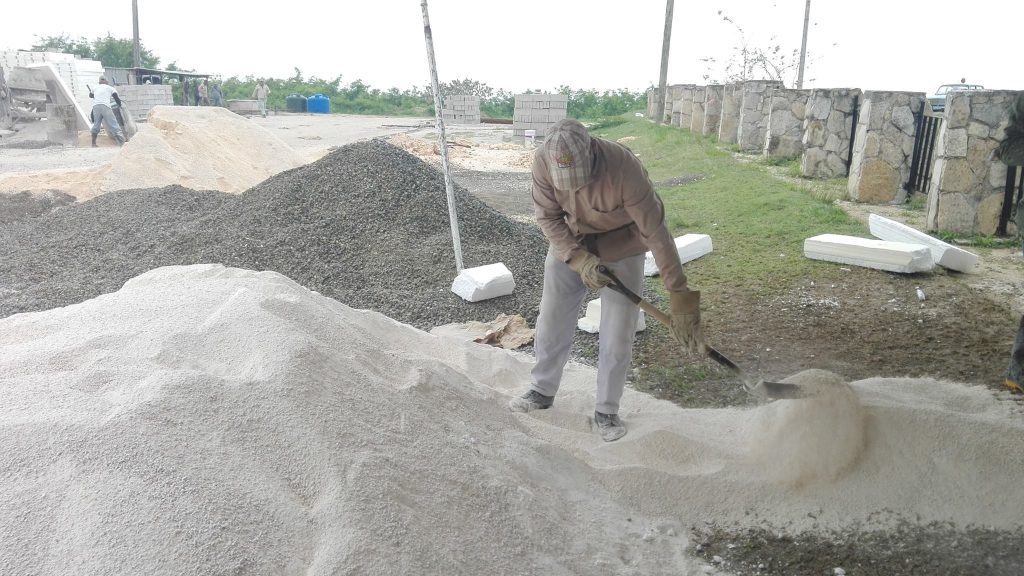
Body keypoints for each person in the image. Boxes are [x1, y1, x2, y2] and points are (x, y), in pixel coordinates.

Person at [508, 118, 705, 442]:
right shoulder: (543, 161)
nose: (573, 188)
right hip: (570, 244)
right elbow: (547, 217)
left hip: (623, 246)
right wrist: (576, 256)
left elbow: (656, 234)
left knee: (617, 331)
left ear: (592, 153)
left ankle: (606, 411)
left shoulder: (624, 167)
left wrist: (679, 296)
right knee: (552, 320)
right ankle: (541, 391)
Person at [88, 77, 126, 147]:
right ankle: (122, 143)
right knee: (114, 124)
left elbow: (90, 95)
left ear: (99, 82)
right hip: (106, 107)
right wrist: (120, 105)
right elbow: (116, 98)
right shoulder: (110, 88)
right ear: (106, 81)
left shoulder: (95, 87)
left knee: (96, 125)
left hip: (96, 107)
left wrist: (95, 95)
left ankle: (93, 143)